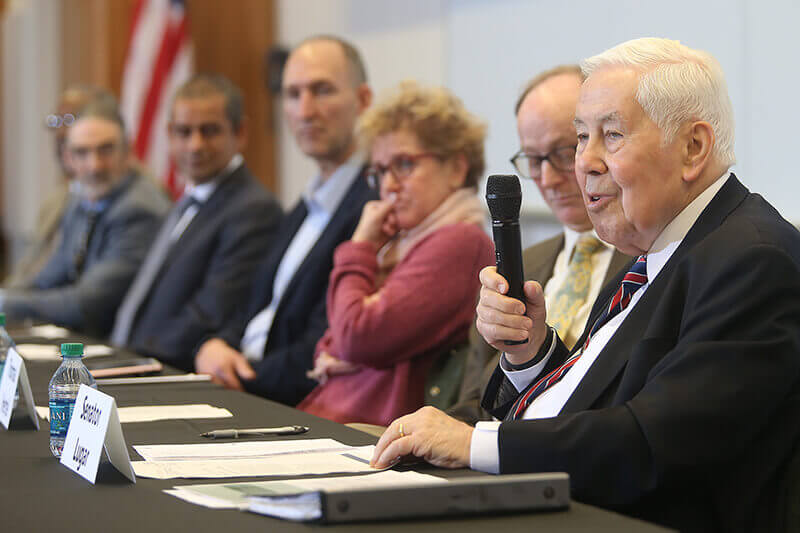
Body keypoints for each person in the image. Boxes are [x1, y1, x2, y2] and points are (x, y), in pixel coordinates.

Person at [372, 38, 800, 532]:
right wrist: (533, 354)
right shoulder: (662, 249)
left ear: (693, 148)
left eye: (611, 135)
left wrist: (472, 443)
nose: (584, 164)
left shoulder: (751, 260)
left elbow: (652, 444)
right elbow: (601, 401)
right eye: (581, 137)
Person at [297, 81, 494, 426]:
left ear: (457, 168)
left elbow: (355, 336)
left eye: (404, 164)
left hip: (373, 437)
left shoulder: (459, 243)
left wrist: (360, 247)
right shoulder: (403, 243)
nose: (388, 185)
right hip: (339, 423)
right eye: (381, 170)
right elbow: (329, 342)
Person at [194, 36, 377, 405]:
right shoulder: (304, 204)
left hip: (283, 403)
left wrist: (235, 374)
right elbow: (256, 307)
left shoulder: (374, 208)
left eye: (322, 90)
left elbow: (323, 348)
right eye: (292, 94)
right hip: (243, 386)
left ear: (362, 101)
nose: (305, 110)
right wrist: (215, 345)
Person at [448, 66, 630, 424]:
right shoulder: (520, 264)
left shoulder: (649, 262)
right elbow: (473, 402)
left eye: (564, 152)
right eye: (533, 160)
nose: (546, 179)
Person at [109, 74, 283, 370]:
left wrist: (133, 360)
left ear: (240, 132)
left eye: (210, 131)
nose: (195, 145)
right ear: (169, 134)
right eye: (183, 132)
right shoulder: (185, 201)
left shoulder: (254, 209)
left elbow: (210, 313)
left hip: (172, 373)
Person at [0, 101, 170, 336]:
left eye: (106, 150)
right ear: (68, 158)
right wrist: (6, 297)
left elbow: (86, 304)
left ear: (128, 151)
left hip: (121, 348)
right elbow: (48, 276)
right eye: (82, 152)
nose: (94, 166)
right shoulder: (82, 198)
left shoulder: (139, 209)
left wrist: (6, 302)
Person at [4, 85, 117, 289]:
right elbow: (29, 272)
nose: (61, 133)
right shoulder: (55, 201)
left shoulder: (119, 199)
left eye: (72, 120)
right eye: (57, 122)